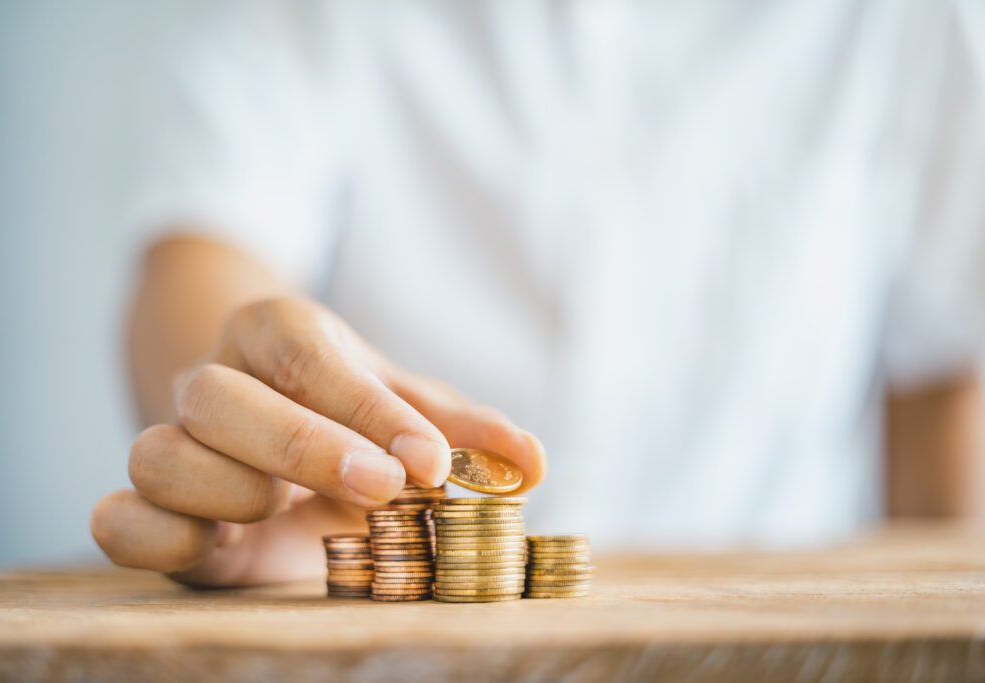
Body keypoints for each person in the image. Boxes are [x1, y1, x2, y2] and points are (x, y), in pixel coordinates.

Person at [91, 1, 985, 587]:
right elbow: (200, 253)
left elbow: (944, 376)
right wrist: (248, 428)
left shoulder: (905, 19)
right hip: (382, 610)